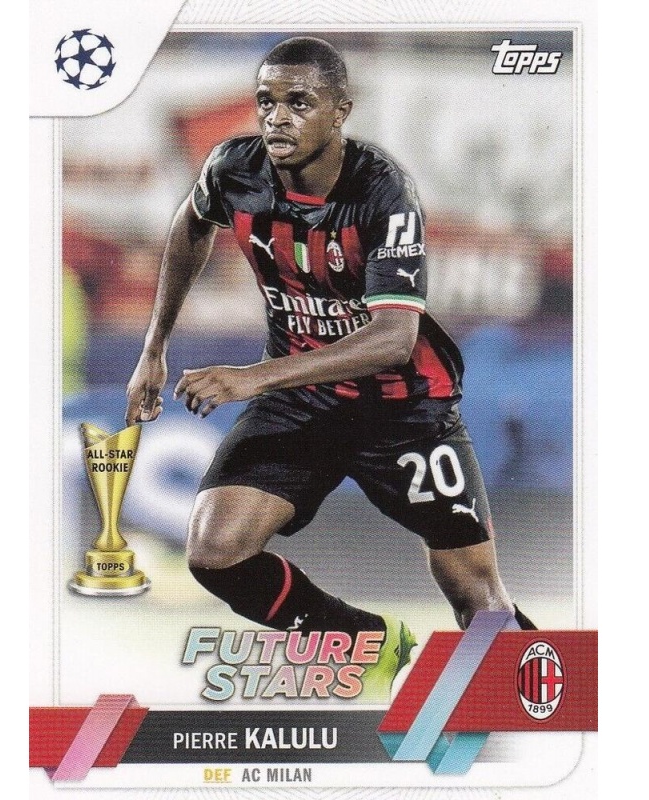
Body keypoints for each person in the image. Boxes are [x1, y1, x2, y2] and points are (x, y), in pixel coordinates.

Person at [126, 36, 535, 701]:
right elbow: (191, 223)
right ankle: (368, 644)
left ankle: (541, 709)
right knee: (215, 550)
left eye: (299, 102)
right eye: (266, 101)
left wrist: (251, 378)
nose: (276, 117)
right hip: (304, 399)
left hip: (403, 408)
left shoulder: (381, 191)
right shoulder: (235, 169)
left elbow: (394, 339)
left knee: (475, 591)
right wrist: (154, 347)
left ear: (340, 110)